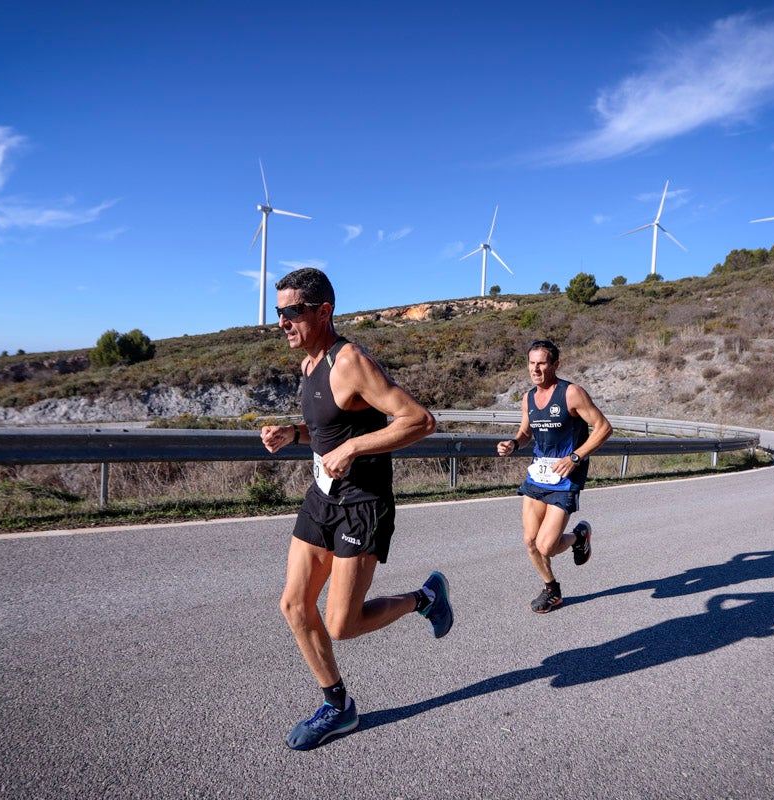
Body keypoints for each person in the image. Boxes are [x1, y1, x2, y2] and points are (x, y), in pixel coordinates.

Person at [260, 267, 454, 751]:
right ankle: (337, 705)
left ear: (323, 311)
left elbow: (420, 420)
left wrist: (355, 450)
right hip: (322, 498)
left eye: (291, 312)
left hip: (363, 504)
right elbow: (330, 428)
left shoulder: (350, 361)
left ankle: (424, 599)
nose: (282, 321)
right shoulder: (308, 364)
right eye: (278, 312)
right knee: (294, 604)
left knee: (342, 624)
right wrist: (294, 433)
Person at [497, 339, 612, 613]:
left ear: (555, 365)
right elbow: (526, 433)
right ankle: (551, 589)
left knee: (546, 546)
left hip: (566, 477)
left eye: (542, 363)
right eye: (532, 363)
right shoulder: (528, 398)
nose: (535, 369)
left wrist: (575, 457)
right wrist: (513, 443)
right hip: (538, 476)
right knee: (530, 540)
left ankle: (579, 536)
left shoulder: (571, 393)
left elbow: (604, 428)